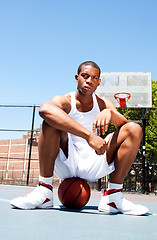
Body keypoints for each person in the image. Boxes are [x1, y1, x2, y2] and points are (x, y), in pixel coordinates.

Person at [10, 61, 149, 215]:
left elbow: (127, 128)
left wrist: (111, 114)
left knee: (134, 129)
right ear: (77, 78)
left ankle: (113, 197)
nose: (89, 80)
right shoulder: (66, 101)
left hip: (95, 161)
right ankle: (44, 191)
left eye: (94, 78)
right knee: (50, 122)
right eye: (85, 76)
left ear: (98, 82)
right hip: (66, 160)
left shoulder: (103, 103)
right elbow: (45, 109)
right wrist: (89, 136)